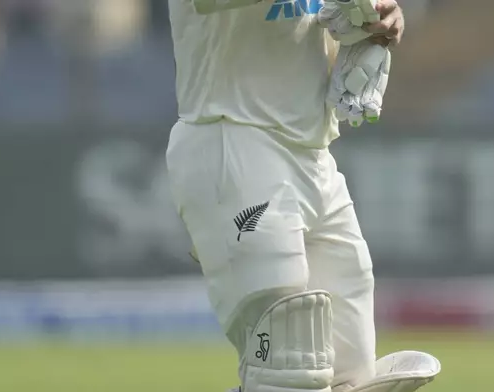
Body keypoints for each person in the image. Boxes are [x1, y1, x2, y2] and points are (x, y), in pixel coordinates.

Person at [165, 0, 441, 391]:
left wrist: (375, 20)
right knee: (290, 365)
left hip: (314, 154)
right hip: (234, 137)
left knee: (352, 374)